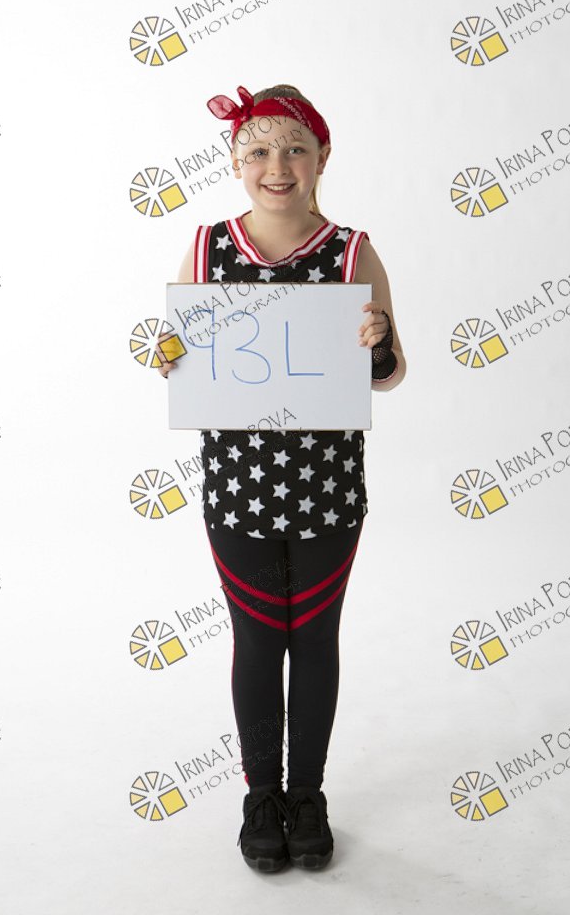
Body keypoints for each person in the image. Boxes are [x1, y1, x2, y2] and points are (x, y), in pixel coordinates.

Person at [157, 83, 405, 872]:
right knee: (259, 640)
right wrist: (168, 353)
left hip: (328, 487)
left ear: (321, 158)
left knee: (316, 639)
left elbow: (390, 372)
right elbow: (178, 357)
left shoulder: (352, 251)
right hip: (238, 488)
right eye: (259, 149)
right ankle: (261, 794)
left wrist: (377, 340)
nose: (277, 164)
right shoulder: (207, 247)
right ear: (234, 160)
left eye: (295, 148)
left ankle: (308, 793)